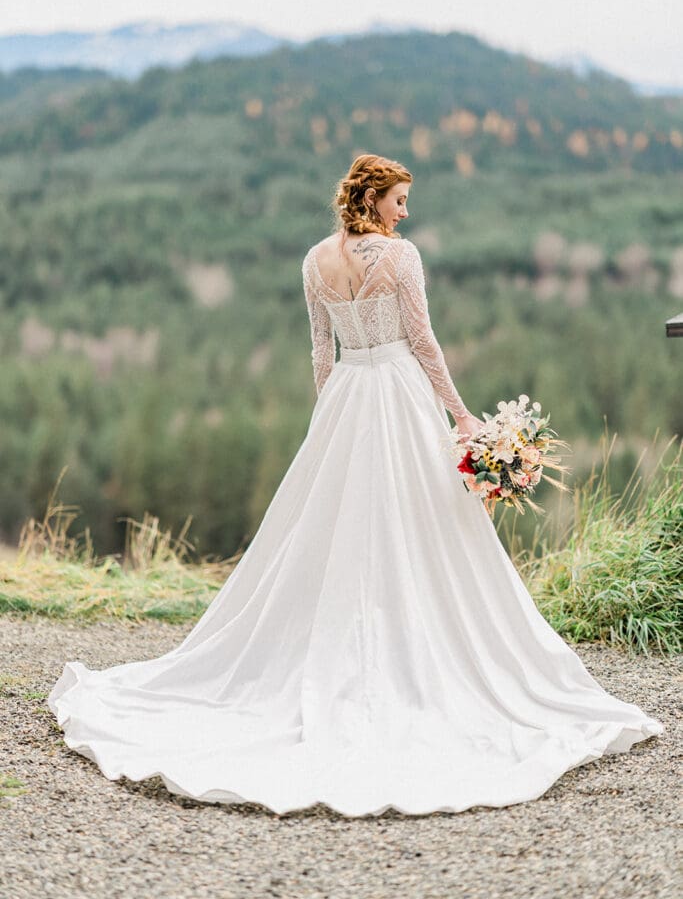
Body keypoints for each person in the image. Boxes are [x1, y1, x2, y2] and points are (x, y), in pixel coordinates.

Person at [48, 153, 663, 818]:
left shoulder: (314, 261)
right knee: (416, 523)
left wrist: (327, 419)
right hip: (396, 392)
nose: (406, 211)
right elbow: (422, 341)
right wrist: (461, 416)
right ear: (372, 200)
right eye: (399, 199)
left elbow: (321, 349)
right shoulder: (401, 259)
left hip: (346, 394)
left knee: (340, 523)